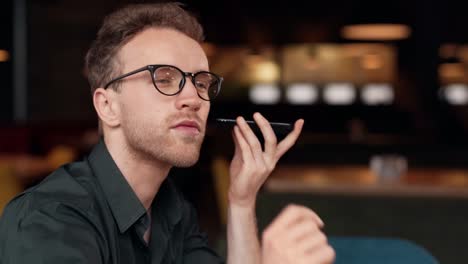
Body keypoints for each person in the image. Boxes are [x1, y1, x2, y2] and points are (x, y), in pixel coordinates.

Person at [0, 3, 335, 264]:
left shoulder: (172, 210)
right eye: (164, 78)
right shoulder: (50, 220)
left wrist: (241, 201)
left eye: (201, 83)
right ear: (107, 106)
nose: (193, 99)